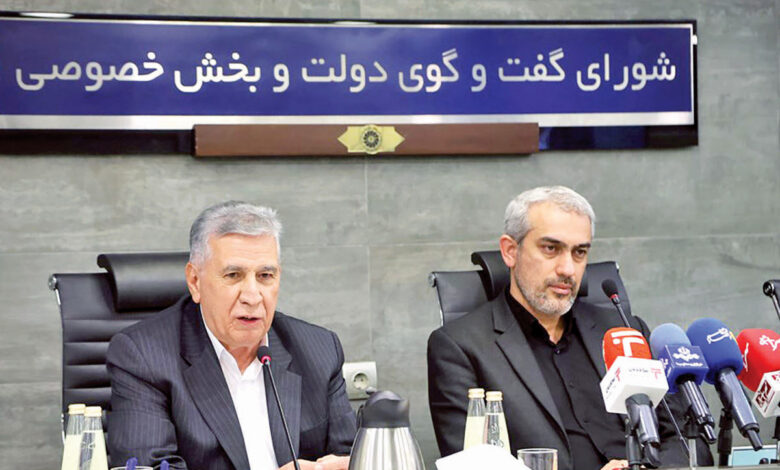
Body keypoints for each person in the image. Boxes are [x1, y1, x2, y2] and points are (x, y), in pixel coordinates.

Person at [427, 186, 712, 470]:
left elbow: (687, 440)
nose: (568, 269)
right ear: (510, 251)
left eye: (579, 252)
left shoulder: (625, 332)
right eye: (551, 249)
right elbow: (472, 463)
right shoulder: (460, 347)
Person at [107, 201, 356, 470]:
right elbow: (150, 466)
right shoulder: (143, 357)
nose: (252, 296)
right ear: (195, 281)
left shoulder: (319, 350)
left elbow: (350, 454)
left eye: (265, 275)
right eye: (234, 275)